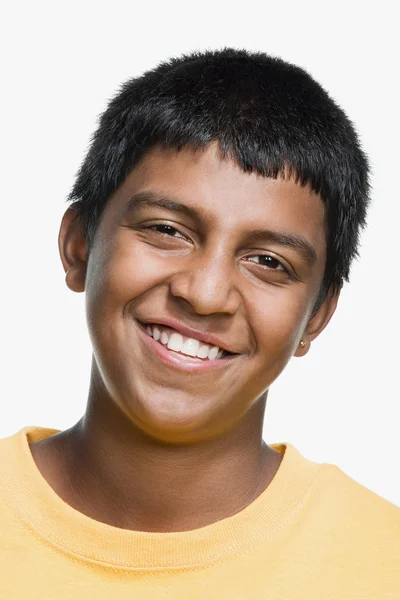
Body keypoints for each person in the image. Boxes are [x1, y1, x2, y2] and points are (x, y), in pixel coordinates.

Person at [0, 48, 398, 598]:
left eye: (269, 262)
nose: (206, 294)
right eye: (168, 230)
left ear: (318, 316)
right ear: (78, 245)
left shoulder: (384, 561)